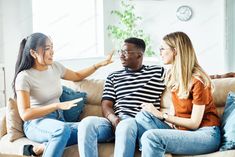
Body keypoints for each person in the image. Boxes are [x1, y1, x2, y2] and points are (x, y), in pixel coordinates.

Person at [12, 32, 113, 157]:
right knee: (61, 130)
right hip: (36, 123)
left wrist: (99, 64)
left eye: (52, 47)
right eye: (47, 49)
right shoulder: (24, 77)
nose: (52, 52)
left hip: (59, 121)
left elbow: (77, 76)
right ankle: (51, 141)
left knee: (103, 130)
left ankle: (43, 147)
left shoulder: (55, 67)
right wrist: (56, 106)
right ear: (33, 53)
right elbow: (25, 114)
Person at [135, 31, 221, 157]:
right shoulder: (173, 76)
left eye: (163, 48)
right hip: (183, 132)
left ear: (175, 51)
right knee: (143, 116)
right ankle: (156, 147)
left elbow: (194, 123)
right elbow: (173, 113)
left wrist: (160, 115)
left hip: (205, 134)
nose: (160, 52)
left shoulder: (198, 81)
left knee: (150, 136)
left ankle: (154, 146)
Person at [77, 37, 166, 157]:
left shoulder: (157, 72)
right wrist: (114, 119)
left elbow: (183, 74)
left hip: (138, 123)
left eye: (126, 52)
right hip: (114, 123)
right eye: (121, 52)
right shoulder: (113, 77)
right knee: (86, 123)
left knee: (126, 125)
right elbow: (106, 104)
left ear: (139, 55)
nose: (121, 55)